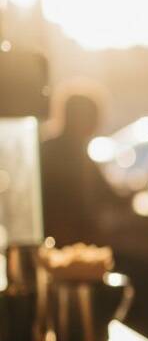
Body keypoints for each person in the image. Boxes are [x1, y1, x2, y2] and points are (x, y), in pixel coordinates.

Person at [40, 85, 119, 246]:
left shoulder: (56, 148)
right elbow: (109, 197)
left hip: (65, 239)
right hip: (68, 242)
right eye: (94, 116)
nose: (98, 123)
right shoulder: (71, 153)